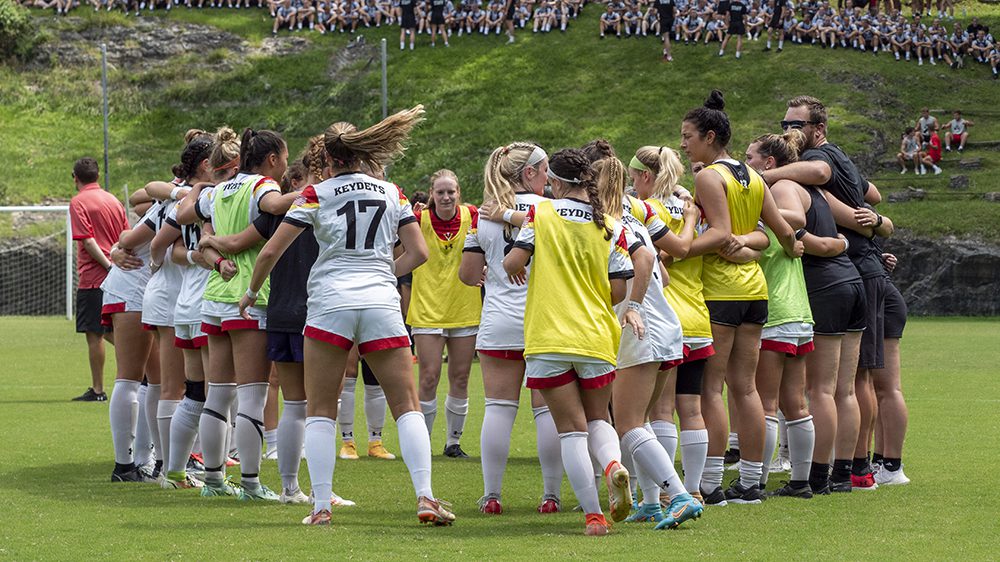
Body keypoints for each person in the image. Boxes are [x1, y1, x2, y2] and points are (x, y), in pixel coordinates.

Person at [239, 105, 456, 527]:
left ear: (327, 157)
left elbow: (269, 251)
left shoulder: (316, 194)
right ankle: (425, 496)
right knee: (406, 406)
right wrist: (380, 272)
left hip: (330, 305)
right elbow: (419, 253)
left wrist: (250, 293)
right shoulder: (391, 192)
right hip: (380, 303)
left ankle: (320, 506)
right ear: (359, 152)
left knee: (319, 408)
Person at [503, 148, 643, 536]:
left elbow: (512, 264)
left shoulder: (541, 215)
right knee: (599, 419)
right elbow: (619, 291)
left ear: (558, 183)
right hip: (596, 335)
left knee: (571, 431)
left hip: (549, 336)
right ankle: (614, 466)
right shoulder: (612, 225)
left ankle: (594, 516)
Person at [761, 95, 892, 493]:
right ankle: (847, 473)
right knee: (847, 387)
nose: (788, 130)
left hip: (834, 282)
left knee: (824, 389)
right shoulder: (822, 182)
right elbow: (869, 201)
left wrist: (754, 181)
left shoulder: (817, 164)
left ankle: (817, 476)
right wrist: (875, 227)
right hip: (855, 274)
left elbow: (817, 189)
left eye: (794, 124)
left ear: (817, 130)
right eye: (784, 125)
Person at [680, 90, 802, 506]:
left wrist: (675, 250)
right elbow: (782, 234)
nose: (683, 144)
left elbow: (717, 233)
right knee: (746, 389)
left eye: (688, 136)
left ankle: (711, 483)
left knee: (711, 389)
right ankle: (752, 483)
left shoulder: (708, 176)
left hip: (720, 292)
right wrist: (761, 244)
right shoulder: (753, 176)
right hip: (755, 292)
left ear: (710, 136)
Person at [593, 156, 704, 530]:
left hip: (641, 330)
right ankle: (652, 503)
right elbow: (665, 276)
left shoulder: (608, 225)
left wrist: (633, 305)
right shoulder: (634, 215)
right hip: (665, 326)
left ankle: (680, 495)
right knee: (643, 420)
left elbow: (645, 262)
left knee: (627, 423)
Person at [186, 128, 295, 501]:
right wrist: (316, 192)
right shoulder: (262, 186)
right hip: (249, 298)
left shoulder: (218, 191)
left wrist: (215, 253)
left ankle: (214, 481)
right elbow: (277, 207)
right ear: (271, 159)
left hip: (215, 296)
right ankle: (250, 483)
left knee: (218, 394)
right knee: (252, 395)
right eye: (283, 158)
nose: (283, 166)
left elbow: (194, 220)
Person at [462, 142, 564, 515]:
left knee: (499, 409)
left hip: (499, 320)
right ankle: (550, 496)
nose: (551, 177)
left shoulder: (484, 214)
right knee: (547, 411)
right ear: (529, 173)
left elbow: (468, 275)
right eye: (546, 170)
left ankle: (492, 496)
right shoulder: (550, 210)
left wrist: (491, 269)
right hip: (544, 322)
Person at [630, 146, 710, 505]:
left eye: (634, 178)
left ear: (646, 176)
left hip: (664, 317)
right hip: (698, 313)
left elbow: (668, 254)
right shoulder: (691, 205)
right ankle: (693, 485)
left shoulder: (648, 210)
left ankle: (665, 490)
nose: (632, 185)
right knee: (692, 407)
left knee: (658, 412)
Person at [409, 170, 481, 458]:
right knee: (428, 376)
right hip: (427, 308)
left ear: (459, 192)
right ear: (431, 194)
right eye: (440, 192)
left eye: (451, 191)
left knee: (461, 376)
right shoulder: (418, 219)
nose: (446, 196)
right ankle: (422, 442)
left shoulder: (472, 215)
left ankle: (453, 441)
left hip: (464, 306)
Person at [70, 157, 129, 402]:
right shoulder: (113, 200)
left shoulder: (78, 202)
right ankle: (146, 367)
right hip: (120, 273)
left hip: (96, 276)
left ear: (75, 177)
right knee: (112, 329)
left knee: (96, 333)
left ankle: (97, 389)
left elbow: (87, 239)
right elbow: (126, 234)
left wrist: (107, 265)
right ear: (97, 175)